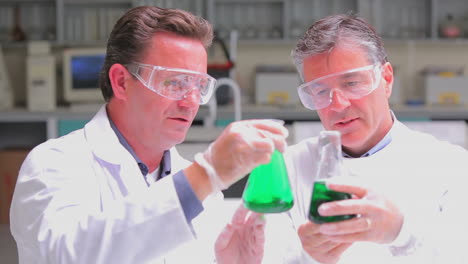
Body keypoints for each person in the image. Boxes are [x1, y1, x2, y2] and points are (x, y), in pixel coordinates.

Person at [9, 6, 288, 264]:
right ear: (121, 82)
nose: (191, 102)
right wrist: (206, 174)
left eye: (199, 84)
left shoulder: (198, 186)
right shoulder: (53, 164)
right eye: (175, 82)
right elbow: (67, 255)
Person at [273, 13, 468, 263]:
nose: (338, 104)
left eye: (352, 82)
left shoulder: (450, 166)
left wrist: (402, 233)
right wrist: (306, 258)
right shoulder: (288, 168)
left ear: (385, 79)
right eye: (320, 91)